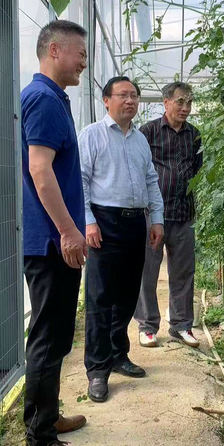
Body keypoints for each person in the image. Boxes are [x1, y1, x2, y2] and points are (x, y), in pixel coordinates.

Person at [21, 20, 95, 446]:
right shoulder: (44, 99)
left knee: (57, 334)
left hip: (54, 240)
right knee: (48, 339)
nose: (84, 62)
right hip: (50, 242)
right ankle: (40, 440)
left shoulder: (52, 98)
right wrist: (68, 231)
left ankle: (47, 416)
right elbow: (40, 170)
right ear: (54, 50)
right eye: (79, 54)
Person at [79, 77, 164, 403]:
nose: (130, 101)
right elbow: (80, 181)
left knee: (128, 295)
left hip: (134, 223)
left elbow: (151, 180)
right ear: (106, 100)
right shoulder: (92, 135)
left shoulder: (140, 140)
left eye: (134, 96)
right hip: (104, 222)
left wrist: (157, 219)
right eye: (123, 95)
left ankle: (117, 354)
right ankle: (97, 369)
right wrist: (88, 221)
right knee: (100, 298)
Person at [134, 82, 203, 348]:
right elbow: (138, 169)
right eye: (180, 102)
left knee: (183, 272)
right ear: (165, 103)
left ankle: (182, 325)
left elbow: (196, 169)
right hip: (152, 215)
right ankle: (147, 326)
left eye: (189, 103)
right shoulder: (148, 132)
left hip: (183, 213)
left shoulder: (194, 135)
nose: (185, 107)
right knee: (147, 271)